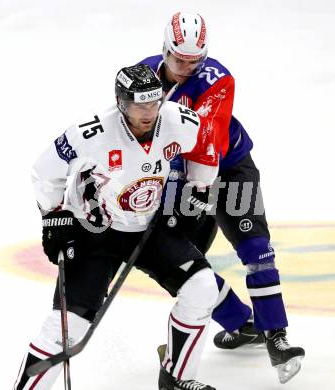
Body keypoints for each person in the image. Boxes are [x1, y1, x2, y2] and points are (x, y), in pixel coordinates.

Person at [14, 64, 220, 390]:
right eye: (139, 105)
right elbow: (44, 171)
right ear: (121, 102)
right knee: (68, 329)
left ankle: (176, 377)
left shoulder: (179, 121)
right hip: (94, 234)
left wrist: (197, 190)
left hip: (148, 229)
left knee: (202, 287)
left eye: (154, 103)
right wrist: (54, 218)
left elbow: (206, 146)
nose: (149, 112)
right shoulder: (90, 132)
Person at [138, 11, 305, 383]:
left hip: (227, 170)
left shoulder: (217, 78)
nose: (186, 67)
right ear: (165, 49)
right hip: (177, 177)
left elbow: (208, 140)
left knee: (257, 250)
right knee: (181, 265)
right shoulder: (140, 76)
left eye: (194, 60)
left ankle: (275, 334)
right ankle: (238, 322)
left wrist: (196, 190)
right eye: (179, 59)